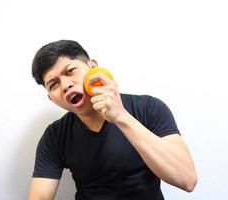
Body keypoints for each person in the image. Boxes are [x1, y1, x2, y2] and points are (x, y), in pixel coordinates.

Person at [28, 40, 197, 200]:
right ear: (51, 98)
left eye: (70, 71)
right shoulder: (55, 136)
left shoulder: (149, 108)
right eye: (54, 84)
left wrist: (120, 117)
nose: (65, 86)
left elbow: (187, 180)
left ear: (92, 67)